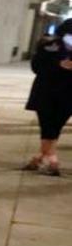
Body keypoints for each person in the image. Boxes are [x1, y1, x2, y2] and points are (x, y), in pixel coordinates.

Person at [23, 18, 72, 176]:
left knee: (55, 125)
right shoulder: (49, 45)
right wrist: (58, 65)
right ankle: (51, 157)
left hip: (68, 94)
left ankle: (43, 157)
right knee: (47, 124)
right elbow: (36, 66)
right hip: (46, 92)